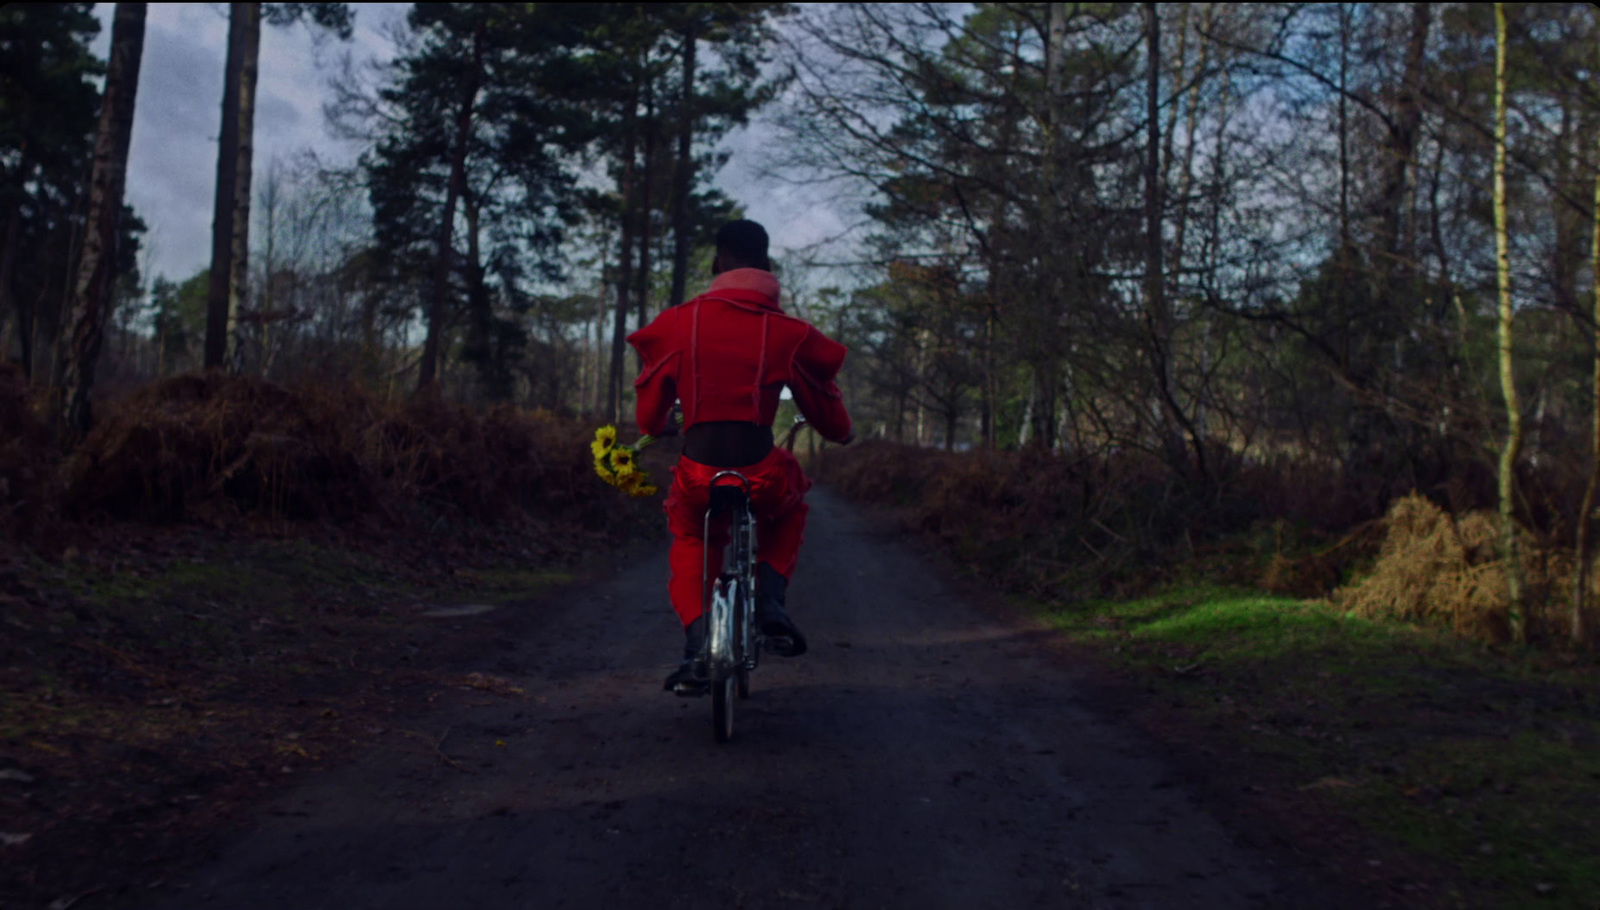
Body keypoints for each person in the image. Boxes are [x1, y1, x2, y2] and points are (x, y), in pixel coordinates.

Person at [627, 219, 854, 692]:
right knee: (790, 506)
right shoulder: (788, 333)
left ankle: (695, 647)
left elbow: (649, 417)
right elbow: (833, 421)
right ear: (767, 265)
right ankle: (771, 602)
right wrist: (839, 430)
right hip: (761, 475)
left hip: (697, 477)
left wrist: (661, 426)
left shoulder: (677, 324)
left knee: (691, 536)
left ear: (717, 263)